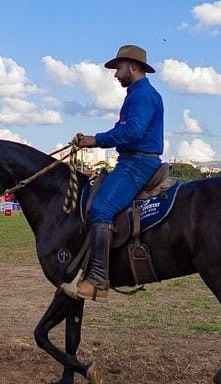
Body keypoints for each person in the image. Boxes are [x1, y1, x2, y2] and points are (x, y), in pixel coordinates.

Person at [62, 44, 163, 302]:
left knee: (101, 210)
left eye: (118, 67)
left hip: (137, 163)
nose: (115, 74)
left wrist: (95, 140)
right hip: (131, 160)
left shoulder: (142, 95)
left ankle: (97, 279)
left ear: (134, 66)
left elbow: (132, 133)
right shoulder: (135, 94)